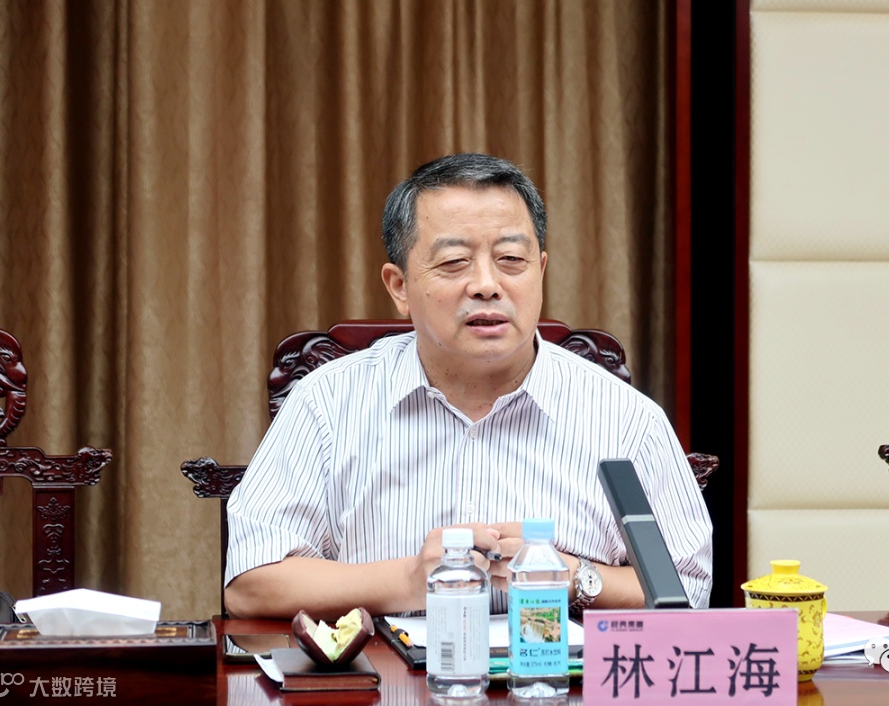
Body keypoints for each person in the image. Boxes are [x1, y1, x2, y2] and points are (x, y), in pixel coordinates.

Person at [223, 153, 712, 619]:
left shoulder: (625, 419)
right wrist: (409, 580)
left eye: (511, 259)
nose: (486, 284)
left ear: (540, 271)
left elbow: (687, 587)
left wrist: (576, 579)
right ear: (399, 287)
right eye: (454, 262)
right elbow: (249, 582)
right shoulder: (328, 403)